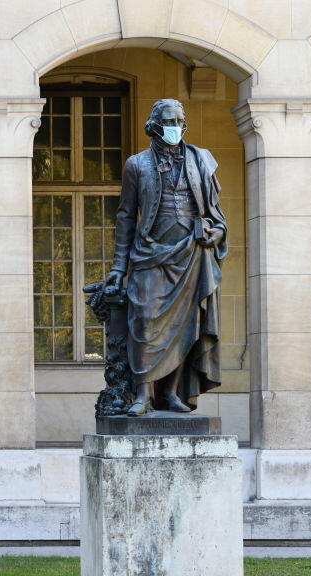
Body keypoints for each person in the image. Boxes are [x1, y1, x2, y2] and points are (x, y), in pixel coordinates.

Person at [104, 99, 228, 416]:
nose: (175, 127)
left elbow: (216, 216)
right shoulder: (136, 165)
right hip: (149, 253)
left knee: (185, 327)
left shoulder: (201, 161)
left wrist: (216, 233)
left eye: (179, 121)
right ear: (154, 124)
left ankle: (170, 394)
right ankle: (142, 395)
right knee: (144, 321)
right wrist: (119, 265)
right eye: (169, 121)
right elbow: (126, 217)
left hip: (191, 253)